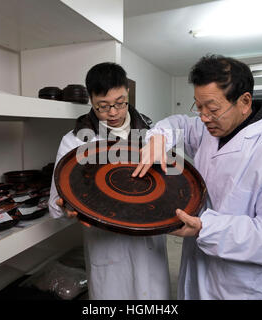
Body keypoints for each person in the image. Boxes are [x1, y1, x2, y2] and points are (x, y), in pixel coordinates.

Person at [132, 54, 262, 300]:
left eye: (212, 109)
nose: (203, 117)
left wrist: (206, 228)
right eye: (198, 107)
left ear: (244, 101)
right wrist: (158, 138)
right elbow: (179, 123)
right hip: (198, 270)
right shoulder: (210, 129)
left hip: (242, 287)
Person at [49, 62, 171, 300]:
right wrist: (67, 206)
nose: (113, 112)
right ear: (91, 101)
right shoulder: (75, 141)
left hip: (148, 239)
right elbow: (57, 199)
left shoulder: (152, 134)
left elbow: (166, 182)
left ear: (128, 94)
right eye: (103, 106)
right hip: (106, 244)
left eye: (120, 103)